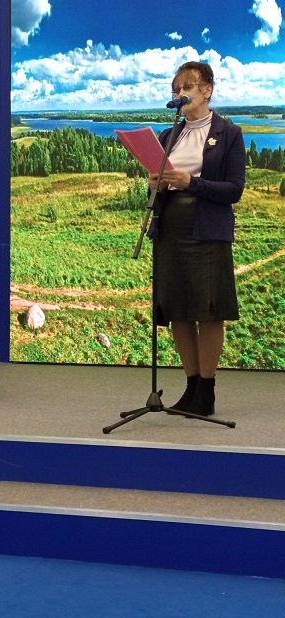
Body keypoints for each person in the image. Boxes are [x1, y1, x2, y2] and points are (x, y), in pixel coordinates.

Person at [148, 62, 246, 416]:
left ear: (207, 90)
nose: (180, 93)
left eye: (187, 86)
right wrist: (155, 184)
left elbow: (234, 190)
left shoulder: (229, 134)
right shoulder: (168, 135)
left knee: (208, 311)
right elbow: (157, 184)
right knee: (178, 310)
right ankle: (190, 387)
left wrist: (192, 183)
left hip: (207, 232)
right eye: (176, 89)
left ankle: (207, 391)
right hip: (170, 231)